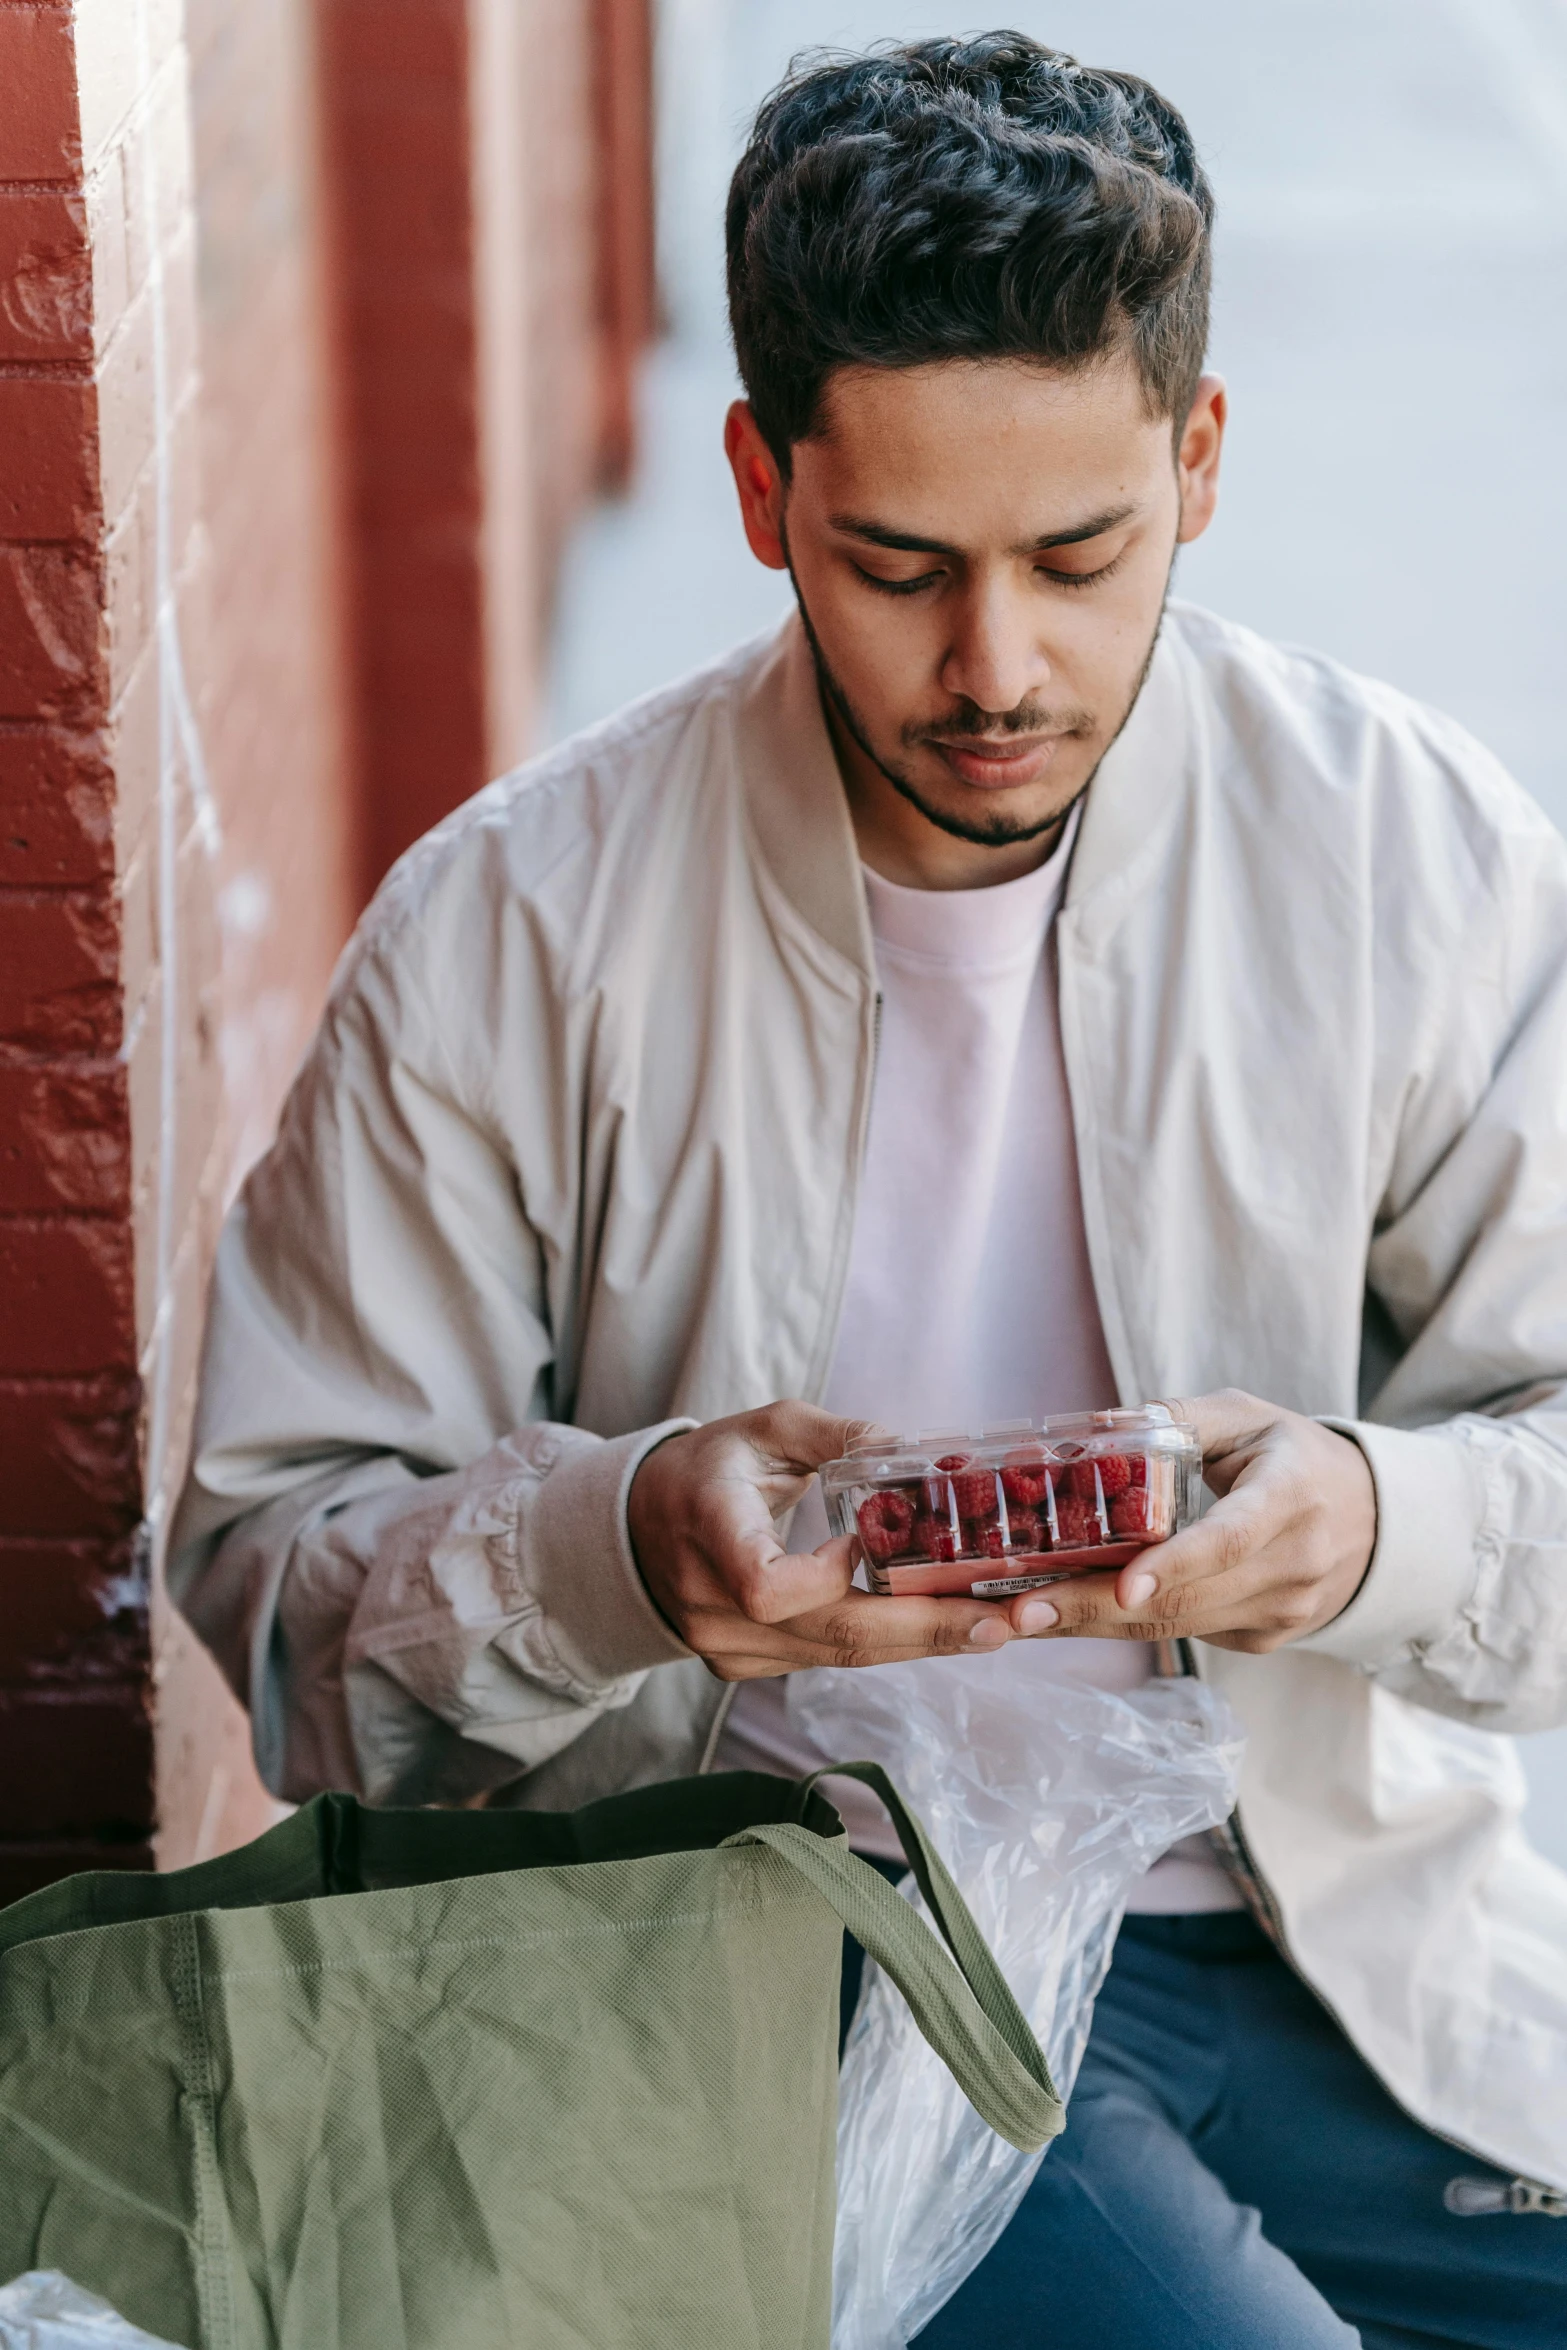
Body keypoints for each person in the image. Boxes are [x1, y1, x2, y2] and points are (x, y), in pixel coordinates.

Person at [171, 34, 1567, 2347]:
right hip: (789, 1955)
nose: (995, 664)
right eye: (898, 562)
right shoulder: (515, 925)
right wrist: (616, 1552)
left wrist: (1370, 1519)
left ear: (1199, 460)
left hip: (1354, 1936)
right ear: (756, 481)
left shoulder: (1416, 860)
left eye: (1080, 556)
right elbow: (284, 1601)